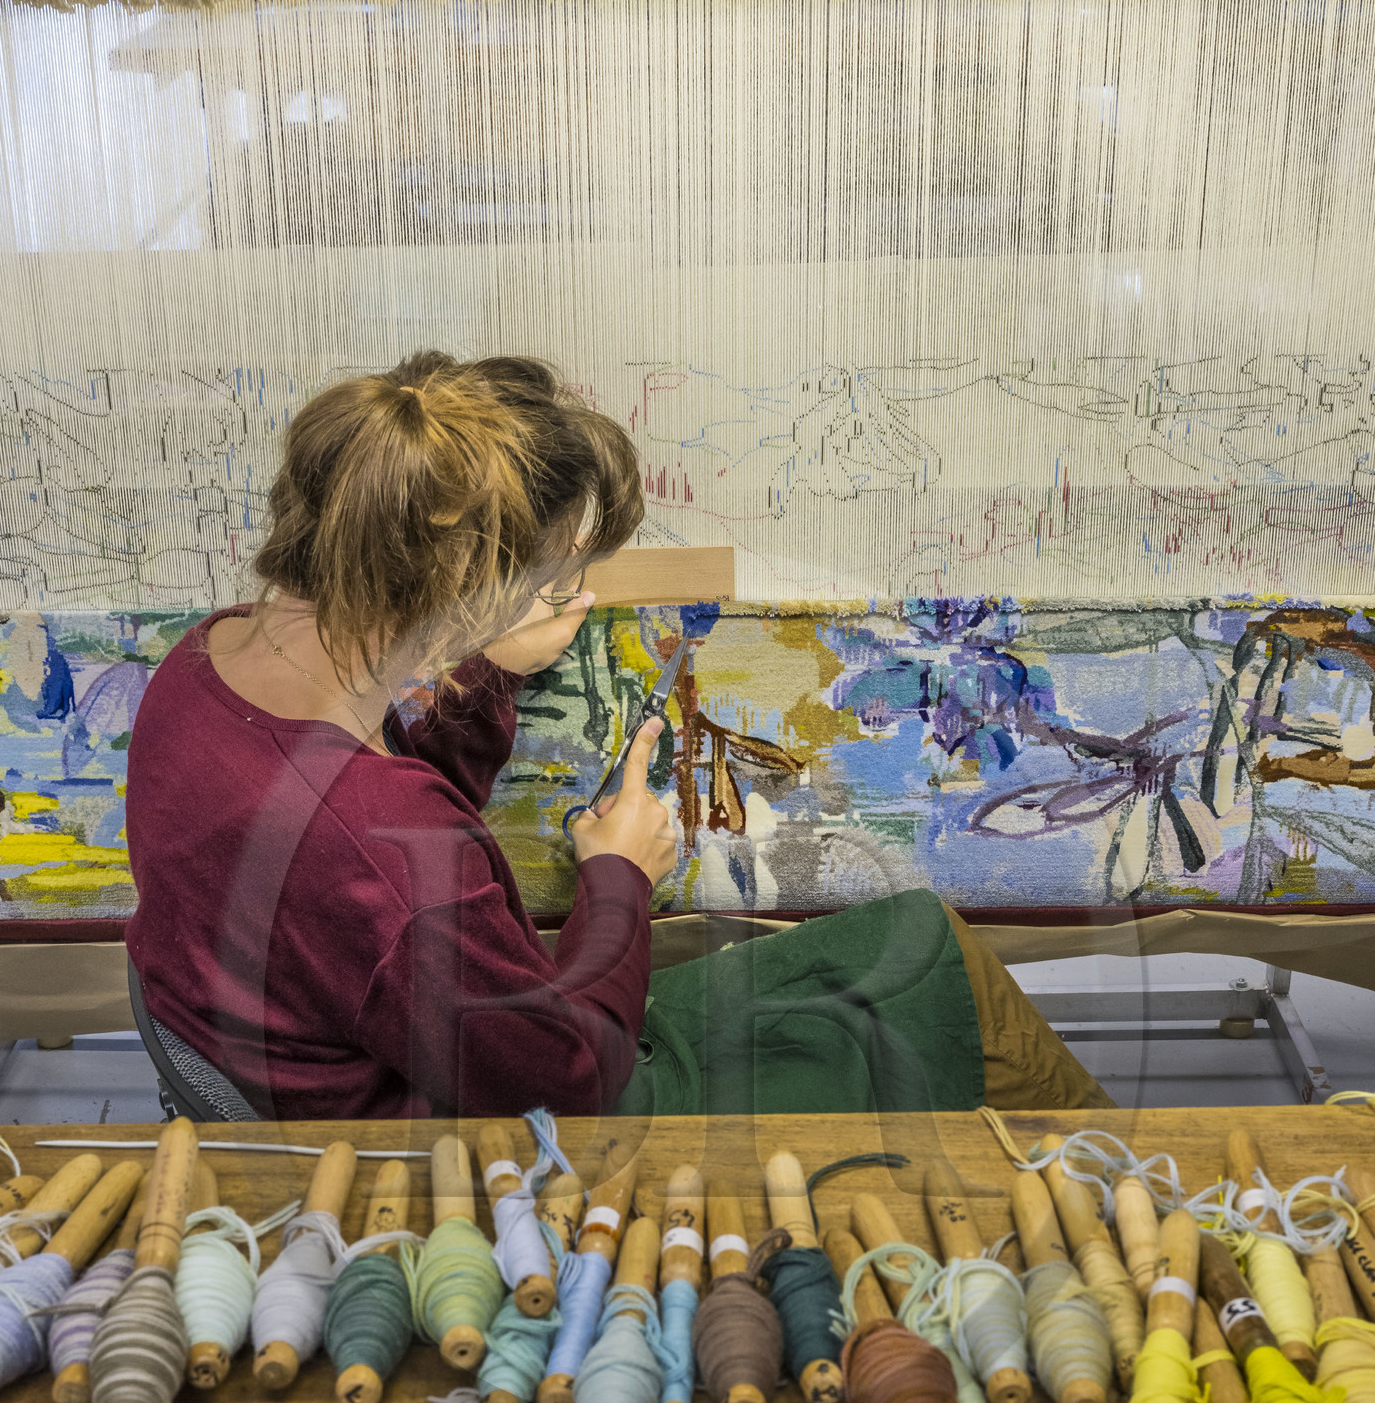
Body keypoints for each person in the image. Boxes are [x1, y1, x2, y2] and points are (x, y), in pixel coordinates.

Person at [124, 351, 1110, 1119]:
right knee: (936, 967)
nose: (568, 593)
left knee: (926, 966)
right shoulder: (386, 853)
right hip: (446, 1148)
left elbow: (368, 829)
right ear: (455, 590)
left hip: (335, 1061)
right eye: (551, 576)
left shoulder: (202, 669)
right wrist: (618, 878)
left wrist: (480, 662)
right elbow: (565, 1082)